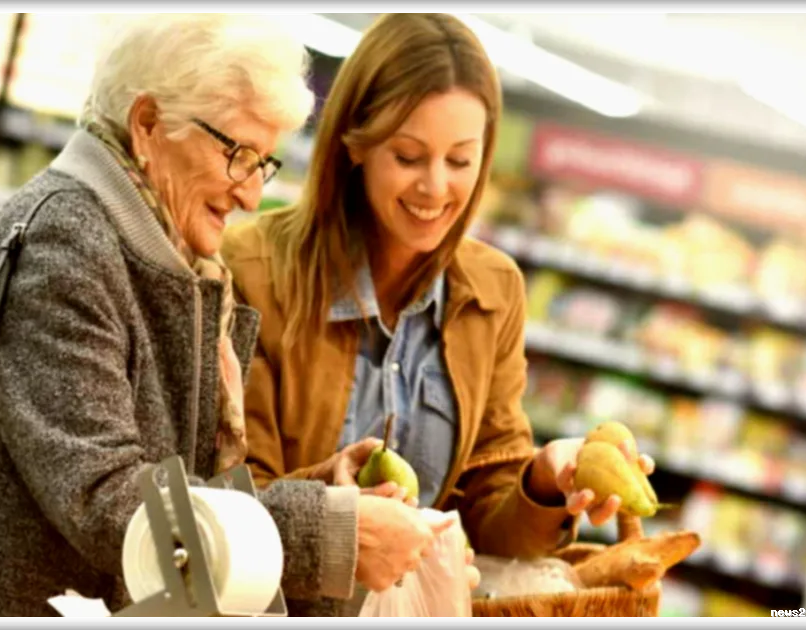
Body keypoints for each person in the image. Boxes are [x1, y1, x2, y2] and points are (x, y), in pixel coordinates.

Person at [0, 13, 452, 618]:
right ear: (148, 122)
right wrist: (333, 534)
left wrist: (322, 493)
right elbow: (110, 501)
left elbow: (174, 483)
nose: (253, 194)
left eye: (265, 163)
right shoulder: (63, 246)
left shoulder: (170, 261)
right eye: (238, 154)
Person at [220, 12, 656, 615]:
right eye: (408, 155)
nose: (436, 187)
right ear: (357, 143)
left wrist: (545, 482)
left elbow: (486, 519)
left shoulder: (493, 290)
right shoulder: (251, 270)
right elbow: (233, 496)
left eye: (460, 160)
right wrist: (342, 516)